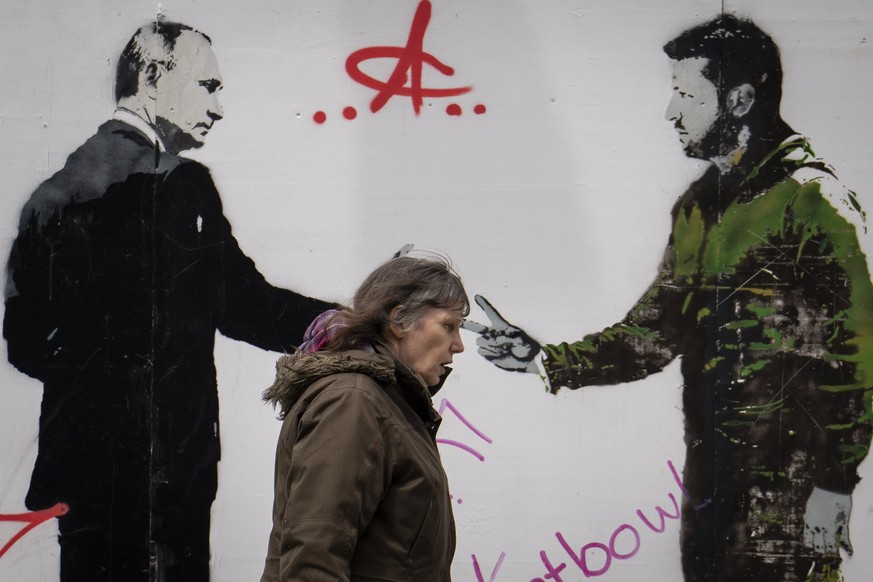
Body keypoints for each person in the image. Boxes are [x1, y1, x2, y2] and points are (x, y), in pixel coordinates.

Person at [465, 15, 873, 581]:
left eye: (685, 94)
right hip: (710, 495)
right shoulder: (696, 207)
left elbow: (858, 361)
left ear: (739, 100)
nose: (671, 113)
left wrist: (835, 484)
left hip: (792, 504)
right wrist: (542, 358)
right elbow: (653, 335)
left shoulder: (816, 203)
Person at [3, 21, 335, 581]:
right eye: (207, 86)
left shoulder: (52, 194)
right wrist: (339, 323)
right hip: (166, 478)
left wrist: (96, 386)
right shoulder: (179, 185)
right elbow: (244, 303)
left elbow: (26, 343)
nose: (220, 106)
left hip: (83, 477)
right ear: (153, 79)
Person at [260, 255, 467, 581]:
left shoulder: (386, 401)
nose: (459, 345)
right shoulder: (353, 401)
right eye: (448, 326)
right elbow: (314, 556)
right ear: (399, 321)